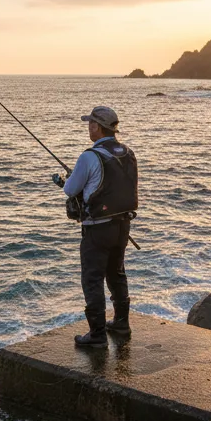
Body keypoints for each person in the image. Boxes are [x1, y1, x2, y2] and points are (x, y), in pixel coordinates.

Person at [52, 106, 138, 347]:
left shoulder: (89, 156)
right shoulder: (128, 152)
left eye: (91, 123)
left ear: (97, 127)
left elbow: (70, 189)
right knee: (116, 273)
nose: (89, 127)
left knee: (92, 279)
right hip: (123, 226)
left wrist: (66, 180)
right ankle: (121, 323)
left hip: (98, 228)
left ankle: (97, 334)